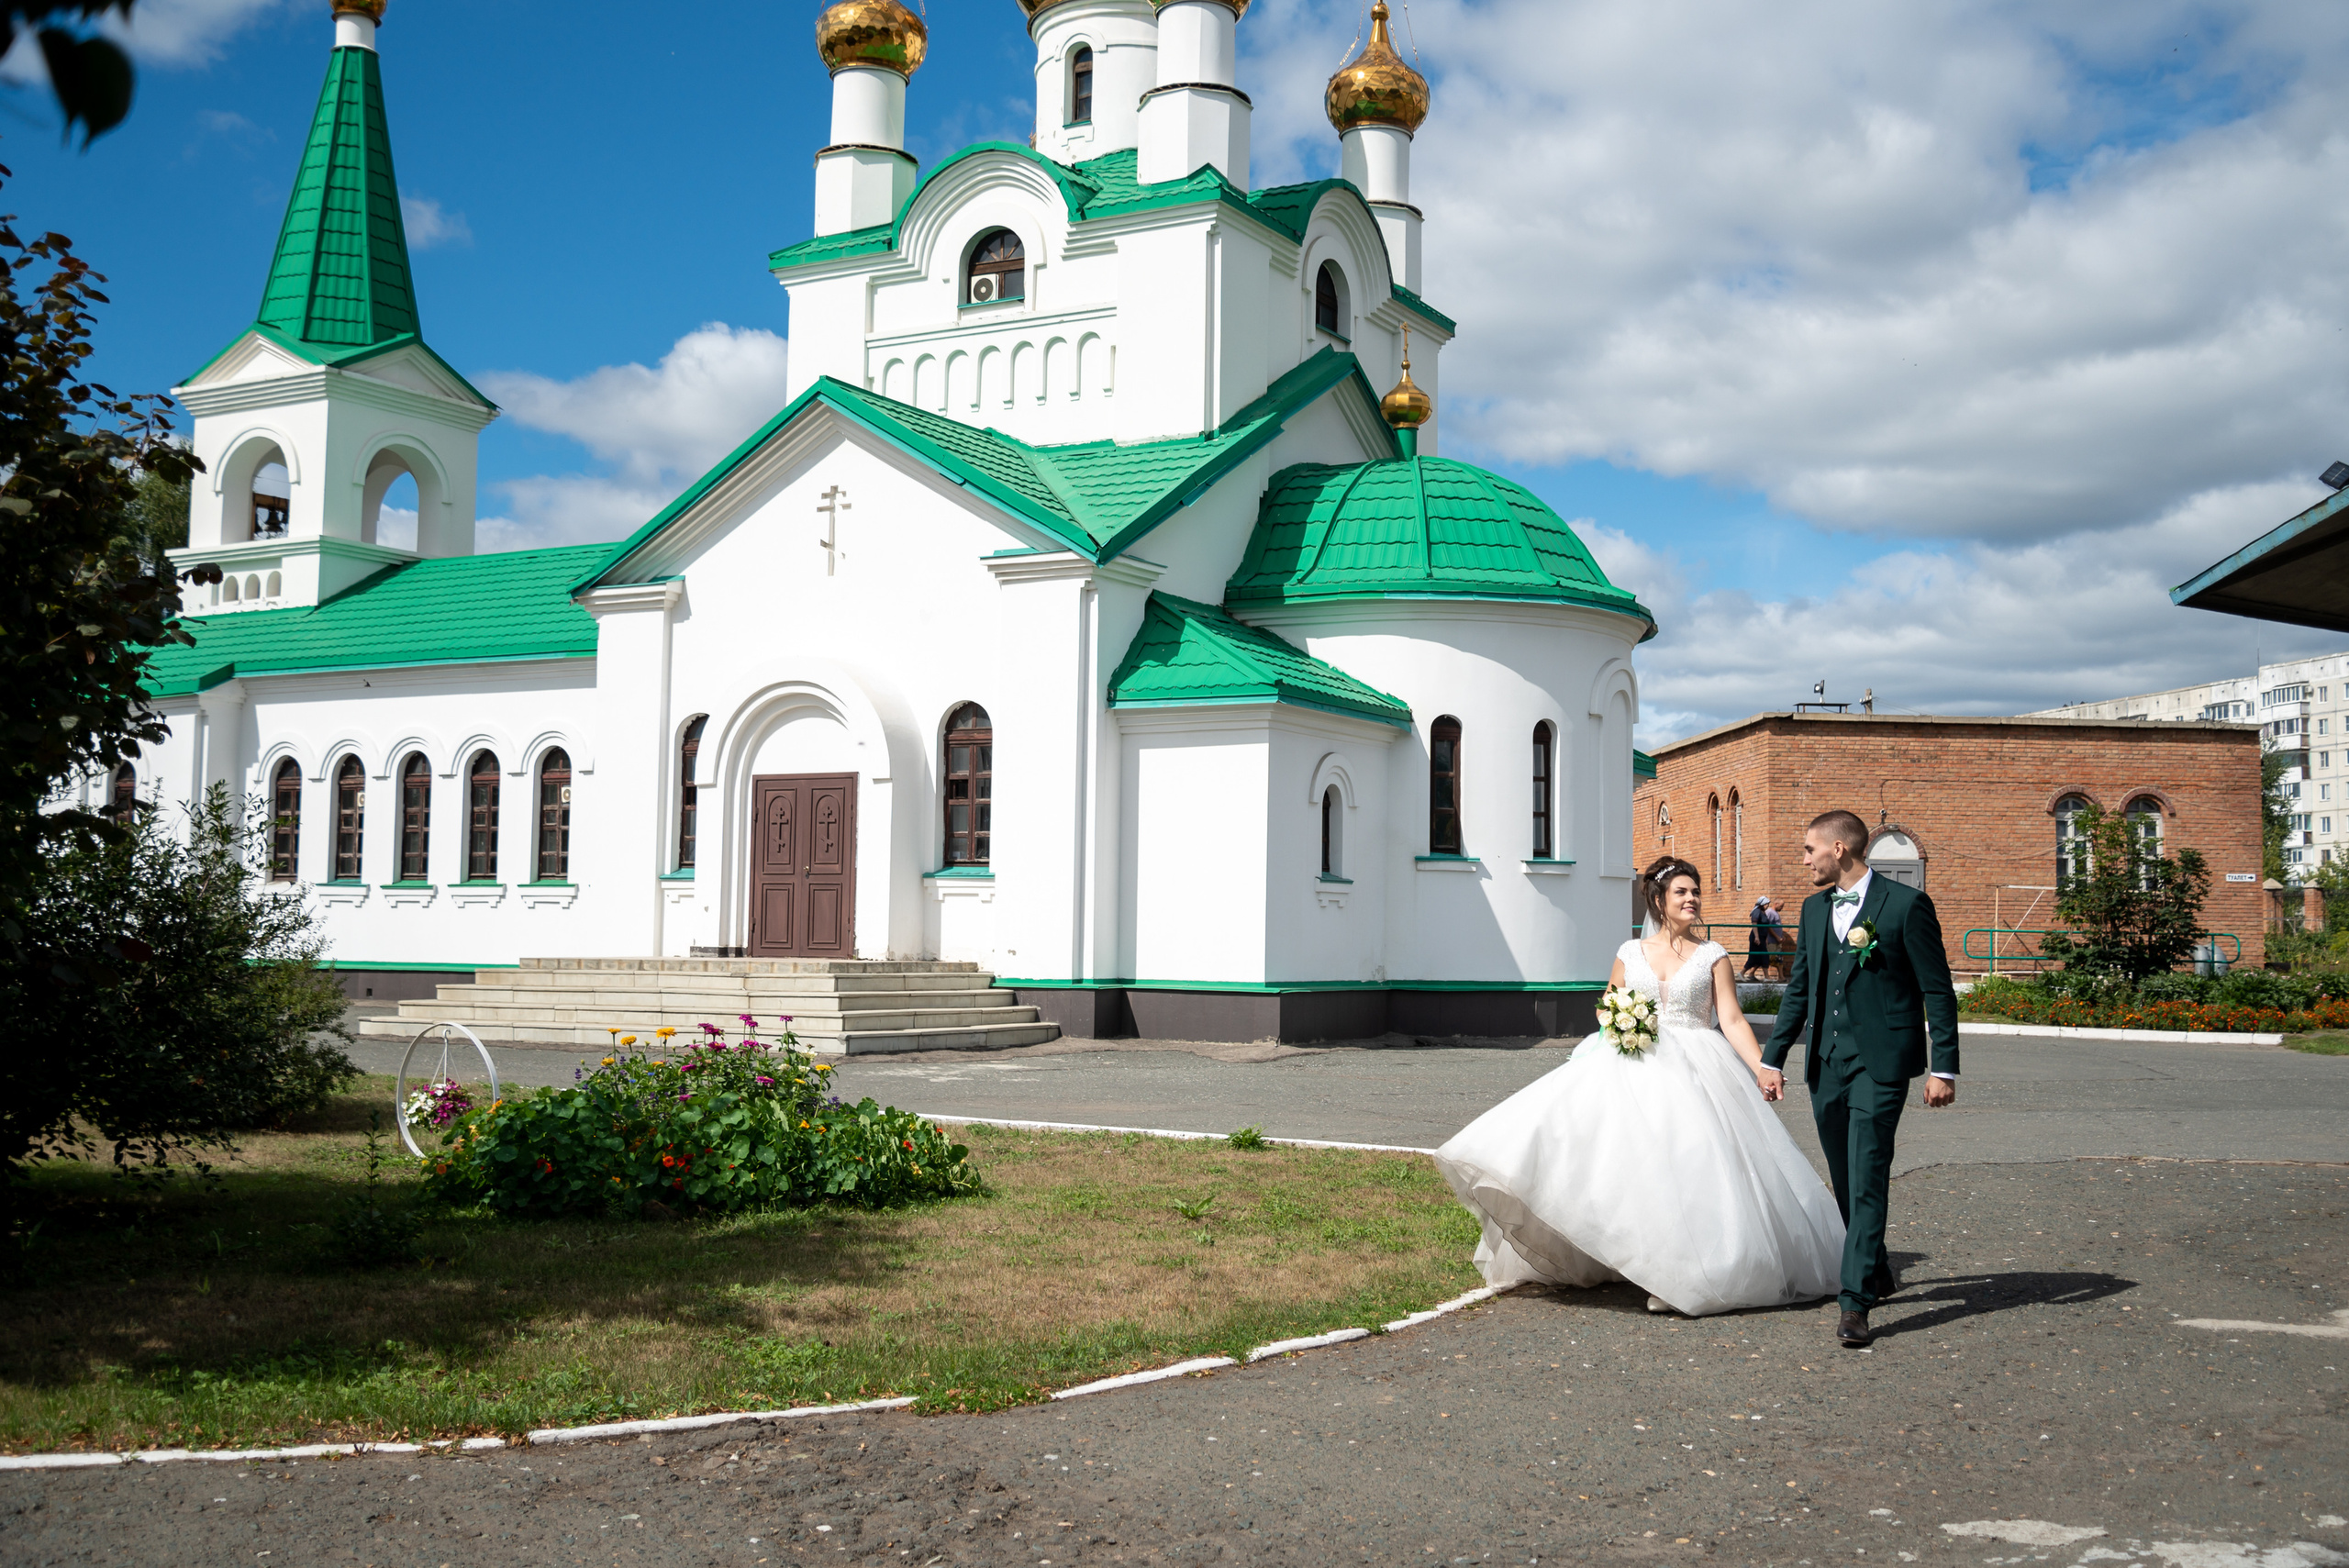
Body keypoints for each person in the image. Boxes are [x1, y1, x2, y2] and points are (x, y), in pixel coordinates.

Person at [1433, 855, 1845, 1317]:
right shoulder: (1631, 952)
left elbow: (1730, 1019)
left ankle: (1688, 1274)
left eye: (1695, 892)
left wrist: (1763, 1066)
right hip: (1633, 1061)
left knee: (1691, 1165)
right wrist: (1624, 1022)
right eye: (1681, 893)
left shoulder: (1714, 955)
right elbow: (1607, 1006)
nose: (1692, 900)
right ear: (1658, 900)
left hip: (1698, 1067)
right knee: (1627, 1166)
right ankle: (1629, 1257)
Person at [1759, 809, 1960, 1350]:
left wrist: (1943, 1066)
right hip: (1827, 1063)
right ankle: (1874, 1269)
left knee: (1869, 1171)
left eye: (1809, 850)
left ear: (1839, 851)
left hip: (1882, 1063)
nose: (1804, 859)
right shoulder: (1812, 908)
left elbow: (1936, 990)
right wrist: (1772, 1058)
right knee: (1845, 1178)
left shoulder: (1906, 905)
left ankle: (1855, 1304)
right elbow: (1800, 990)